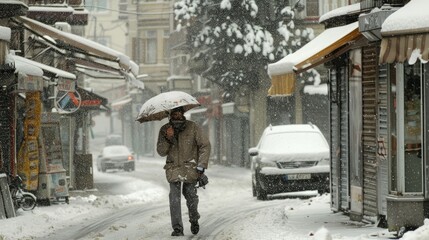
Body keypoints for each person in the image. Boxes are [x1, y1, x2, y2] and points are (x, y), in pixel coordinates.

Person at [157, 106, 211, 236]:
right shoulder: (164, 130)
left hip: (190, 168)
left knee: (191, 196)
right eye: (174, 114)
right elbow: (161, 152)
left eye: (179, 113)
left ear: (182, 113)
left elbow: (205, 145)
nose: (177, 116)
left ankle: (194, 219)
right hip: (173, 168)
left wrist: (201, 165)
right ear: (170, 115)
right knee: (174, 198)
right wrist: (168, 138)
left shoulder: (193, 127)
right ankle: (177, 229)